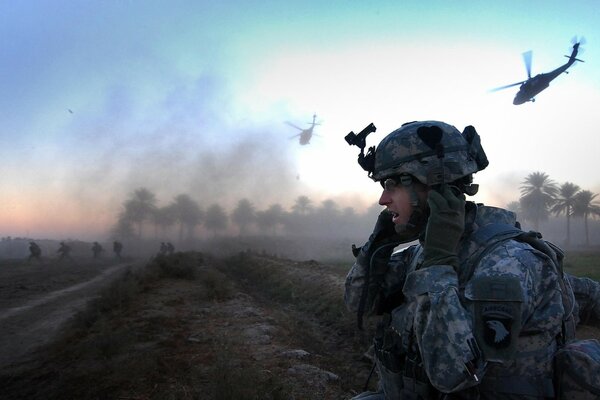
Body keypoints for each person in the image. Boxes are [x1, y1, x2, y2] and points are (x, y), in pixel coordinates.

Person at [344, 120, 600, 399]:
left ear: (434, 187)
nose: (383, 199)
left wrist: (439, 266)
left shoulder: (506, 264)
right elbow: (360, 303)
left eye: (391, 185)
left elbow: (453, 374)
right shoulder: (423, 253)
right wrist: (378, 246)